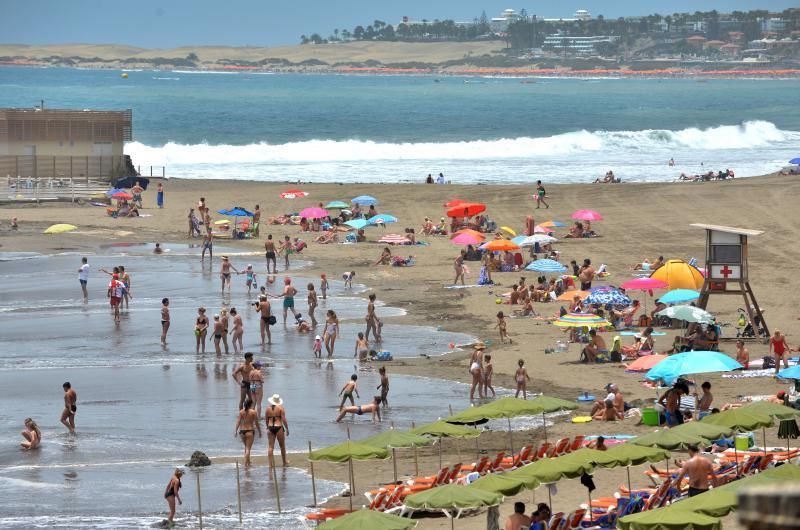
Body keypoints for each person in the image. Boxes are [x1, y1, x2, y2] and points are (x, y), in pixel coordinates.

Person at [235, 398, 261, 466]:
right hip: (250, 431)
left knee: (246, 447)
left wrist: (235, 430)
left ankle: (248, 461)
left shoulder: (241, 412)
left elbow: (238, 422)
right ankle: (246, 464)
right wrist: (259, 431)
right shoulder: (253, 412)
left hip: (242, 431)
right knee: (248, 448)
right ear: (251, 404)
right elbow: (257, 423)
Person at [265, 394, 289, 467]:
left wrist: (267, 427)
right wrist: (287, 429)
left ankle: (270, 464)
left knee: (270, 446)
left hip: (270, 427)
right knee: (282, 446)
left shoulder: (267, 409)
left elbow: (266, 420)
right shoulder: (281, 408)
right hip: (279, 427)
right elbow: (284, 420)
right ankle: (284, 462)